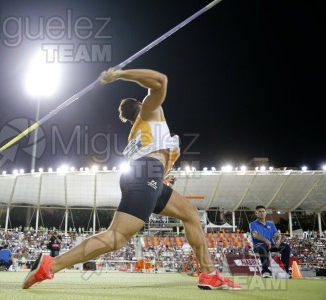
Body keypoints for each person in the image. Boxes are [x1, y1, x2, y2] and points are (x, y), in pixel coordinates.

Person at [22, 68, 242, 290]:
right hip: (145, 174)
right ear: (141, 103)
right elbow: (159, 81)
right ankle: (51, 264)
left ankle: (208, 273)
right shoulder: (149, 112)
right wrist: (119, 74)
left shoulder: (138, 132)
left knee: (190, 214)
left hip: (148, 177)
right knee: (116, 238)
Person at [249, 205, 291, 278]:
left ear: (266, 213)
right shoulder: (253, 224)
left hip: (271, 245)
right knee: (263, 247)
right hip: (258, 245)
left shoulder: (270, 224)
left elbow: (277, 234)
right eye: (259, 212)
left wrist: (278, 240)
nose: (262, 213)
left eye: (263, 211)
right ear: (256, 213)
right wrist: (265, 240)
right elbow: (255, 235)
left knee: (286, 247)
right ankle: (265, 271)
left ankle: (285, 271)